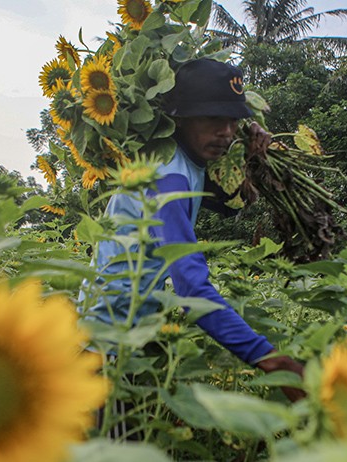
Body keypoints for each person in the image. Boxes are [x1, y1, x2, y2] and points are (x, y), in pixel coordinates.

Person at [87, 58, 305, 403]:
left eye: (233, 119)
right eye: (214, 118)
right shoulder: (167, 178)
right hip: (102, 349)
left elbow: (226, 202)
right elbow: (192, 291)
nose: (227, 131)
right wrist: (272, 360)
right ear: (181, 117)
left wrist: (255, 158)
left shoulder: (186, 162)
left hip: (125, 341)